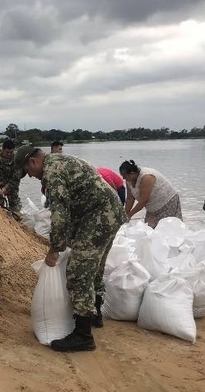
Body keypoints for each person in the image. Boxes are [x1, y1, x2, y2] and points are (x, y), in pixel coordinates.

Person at [15, 145, 126, 352]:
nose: (30, 177)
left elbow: (60, 216)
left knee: (78, 273)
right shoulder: (60, 161)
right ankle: (94, 315)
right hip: (109, 213)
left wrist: (54, 249)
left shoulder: (52, 172)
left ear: (33, 162)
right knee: (94, 267)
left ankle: (83, 336)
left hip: (98, 217)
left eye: (28, 172)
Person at [119, 160, 182, 228]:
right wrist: (125, 214)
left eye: (124, 175)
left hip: (167, 202)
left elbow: (143, 201)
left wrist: (130, 215)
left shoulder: (147, 177)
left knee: (166, 228)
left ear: (132, 173)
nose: (123, 178)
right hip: (152, 206)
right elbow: (130, 199)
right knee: (149, 229)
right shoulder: (129, 180)